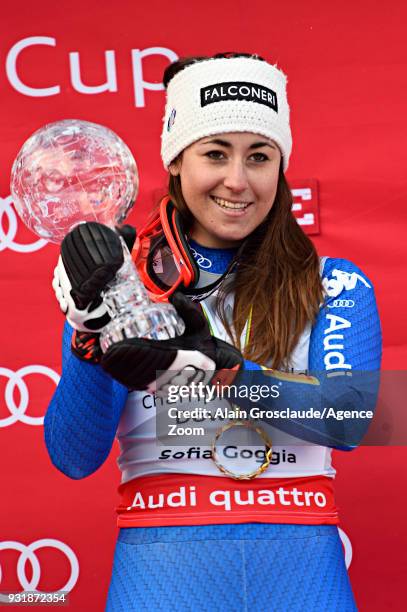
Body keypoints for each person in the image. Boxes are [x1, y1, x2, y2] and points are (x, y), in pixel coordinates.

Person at [45, 53, 382, 611]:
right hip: (162, 573)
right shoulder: (123, 285)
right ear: (177, 160)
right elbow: (74, 457)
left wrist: (222, 372)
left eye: (259, 156)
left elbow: (348, 420)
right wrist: (88, 335)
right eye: (215, 153)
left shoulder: (331, 282)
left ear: (281, 165)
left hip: (300, 574)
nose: (237, 180)